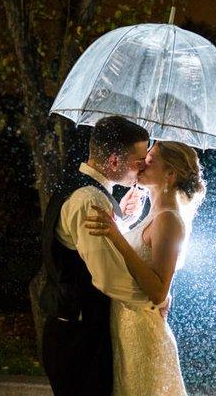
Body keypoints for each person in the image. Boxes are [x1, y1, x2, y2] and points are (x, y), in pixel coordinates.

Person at [85, 141, 206, 396]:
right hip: (127, 326)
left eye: (150, 161)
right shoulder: (155, 212)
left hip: (142, 334)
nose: (141, 164)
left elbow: (158, 292)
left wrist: (117, 236)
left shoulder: (169, 219)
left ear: (170, 175)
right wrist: (125, 219)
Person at [39, 115, 150, 396]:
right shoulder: (91, 201)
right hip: (79, 339)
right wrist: (153, 301)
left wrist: (123, 217)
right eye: (138, 162)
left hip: (71, 331)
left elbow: (90, 246)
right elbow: (109, 279)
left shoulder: (83, 189)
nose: (141, 169)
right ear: (114, 161)